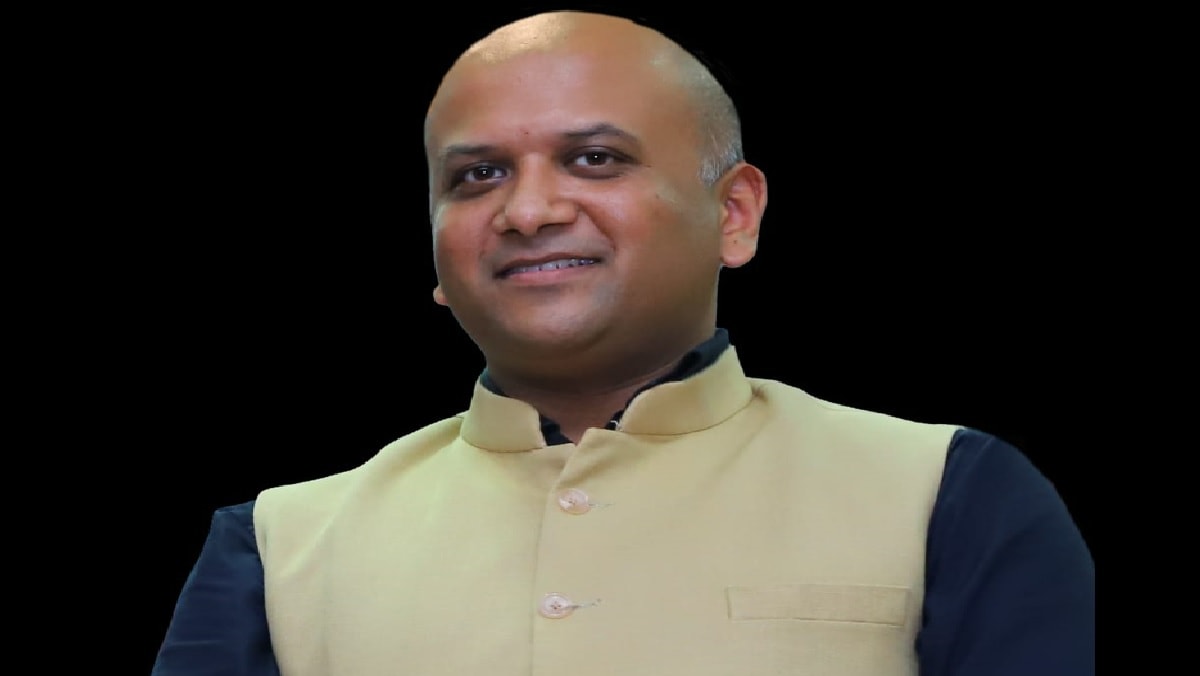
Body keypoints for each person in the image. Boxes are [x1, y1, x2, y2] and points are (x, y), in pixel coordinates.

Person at [152, 10, 1095, 676]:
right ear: (435, 251)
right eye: (477, 176)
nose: (528, 211)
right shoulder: (277, 546)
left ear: (734, 214)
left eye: (593, 159)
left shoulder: (949, 494)